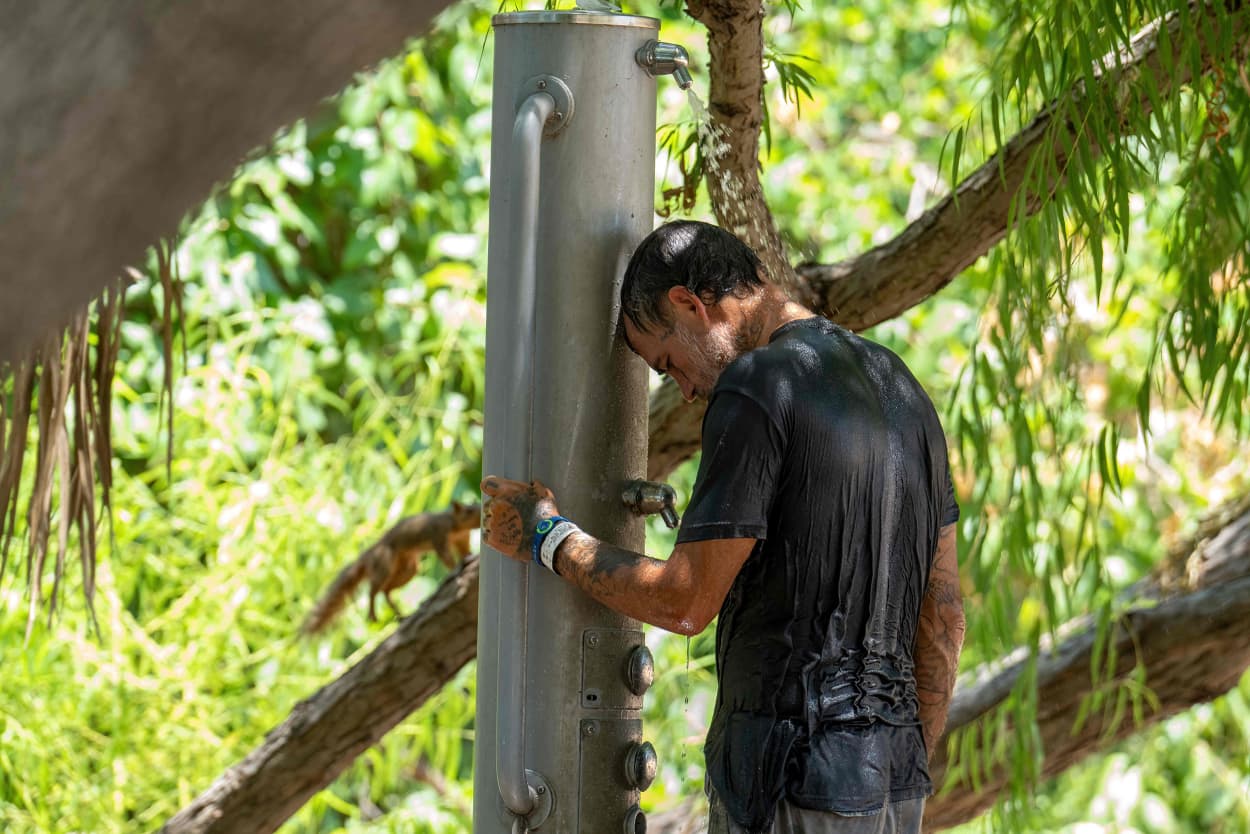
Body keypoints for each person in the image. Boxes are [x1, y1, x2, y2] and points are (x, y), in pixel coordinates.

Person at [481, 220, 964, 834]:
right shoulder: (904, 392)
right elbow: (944, 616)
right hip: (895, 790)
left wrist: (549, 538)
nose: (683, 391)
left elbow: (684, 602)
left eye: (668, 362)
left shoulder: (758, 384)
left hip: (788, 786)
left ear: (687, 303)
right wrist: (901, 763)